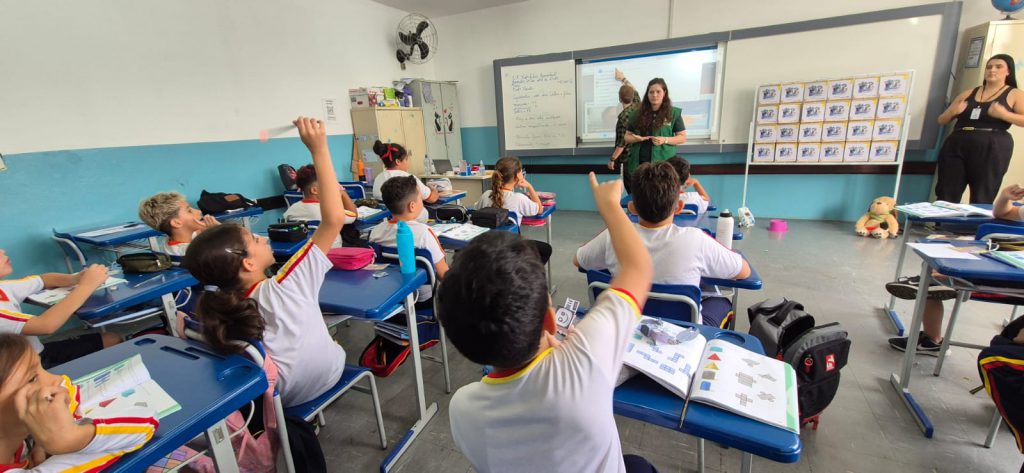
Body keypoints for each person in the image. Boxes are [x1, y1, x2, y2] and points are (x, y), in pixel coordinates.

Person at [440, 172, 657, 473]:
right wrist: (610, 205)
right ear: (550, 320)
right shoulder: (584, 361)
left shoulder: (462, 408)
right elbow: (639, 267)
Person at [183, 117, 345, 407]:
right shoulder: (287, 283)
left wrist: (216, 239)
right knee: (334, 343)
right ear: (246, 264)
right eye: (254, 240)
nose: (264, 239)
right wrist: (319, 148)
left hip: (280, 396)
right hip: (324, 379)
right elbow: (334, 219)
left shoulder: (220, 303)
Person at [575, 162, 748, 327]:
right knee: (721, 301)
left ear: (632, 207)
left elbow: (579, 260)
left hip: (627, 325)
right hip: (682, 333)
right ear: (679, 207)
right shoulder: (696, 239)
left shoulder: (614, 235)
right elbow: (743, 271)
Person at [887, 183, 1024, 354]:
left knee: (931, 273)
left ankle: (938, 289)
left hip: (1008, 280)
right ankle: (938, 283)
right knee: (933, 263)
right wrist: (1005, 196)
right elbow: (1003, 213)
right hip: (1010, 267)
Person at [0, 333, 158, 471]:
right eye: (32, 378)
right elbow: (147, 423)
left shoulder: (14, 439)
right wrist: (72, 438)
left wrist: (40, 442)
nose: (57, 378)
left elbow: (67, 385)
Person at [0, 250, 119, 368]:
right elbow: (45, 325)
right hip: (22, 371)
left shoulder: (3, 286)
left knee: (111, 339)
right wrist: (87, 286)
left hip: (36, 353)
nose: (2, 251)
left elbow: (43, 279)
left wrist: (76, 279)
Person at [934, 54, 1024, 204]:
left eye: (998, 67)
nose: (992, 70)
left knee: (983, 192)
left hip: (992, 146)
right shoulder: (969, 93)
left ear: (1008, 71)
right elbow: (942, 119)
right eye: (989, 67)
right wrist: (953, 111)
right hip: (957, 143)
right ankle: (940, 225)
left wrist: (1005, 114)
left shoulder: (1014, 94)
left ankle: (974, 227)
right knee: (947, 189)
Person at [369, 175, 448, 308]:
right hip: (423, 299)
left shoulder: (376, 232)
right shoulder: (424, 233)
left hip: (391, 296)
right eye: (420, 198)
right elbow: (444, 275)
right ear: (412, 206)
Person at [473, 157, 552, 264]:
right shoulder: (519, 198)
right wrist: (529, 186)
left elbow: (475, 210)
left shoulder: (486, 195)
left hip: (487, 246)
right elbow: (540, 209)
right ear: (516, 176)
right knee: (546, 249)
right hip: (510, 247)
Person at [623, 78, 687, 193]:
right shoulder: (637, 114)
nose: (654, 95)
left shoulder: (673, 113)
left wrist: (665, 140)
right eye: (651, 92)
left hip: (664, 163)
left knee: (661, 194)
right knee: (641, 195)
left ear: (664, 93)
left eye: (658, 92)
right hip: (640, 164)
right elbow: (627, 136)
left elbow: (682, 137)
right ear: (647, 94)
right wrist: (635, 138)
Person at [282, 163, 358, 248]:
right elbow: (353, 214)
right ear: (315, 190)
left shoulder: (290, 211)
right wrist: (342, 192)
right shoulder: (329, 211)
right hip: (333, 253)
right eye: (329, 185)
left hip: (306, 254)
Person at [370, 140, 438, 222]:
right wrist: (434, 190)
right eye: (406, 159)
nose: (408, 163)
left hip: (389, 221)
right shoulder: (407, 178)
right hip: (415, 221)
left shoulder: (378, 178)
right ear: (398, 161)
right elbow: (431, 198)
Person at [138, 192, 220, 256]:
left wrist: (214, 230)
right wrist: (220, 232)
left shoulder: (177, 240)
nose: (198, 211)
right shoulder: (190, 251)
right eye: (189, 211)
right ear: (177, 223)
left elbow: (200, 232)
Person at [608, 70, 642, 179]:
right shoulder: (638, 106)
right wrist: (623, 79)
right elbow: (634, 90)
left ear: (619, 99)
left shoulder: (623, 117)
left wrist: (612, 159)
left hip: (627, 161)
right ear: (632, 97)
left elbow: (622, 143)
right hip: (639, 157)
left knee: (631, 191)